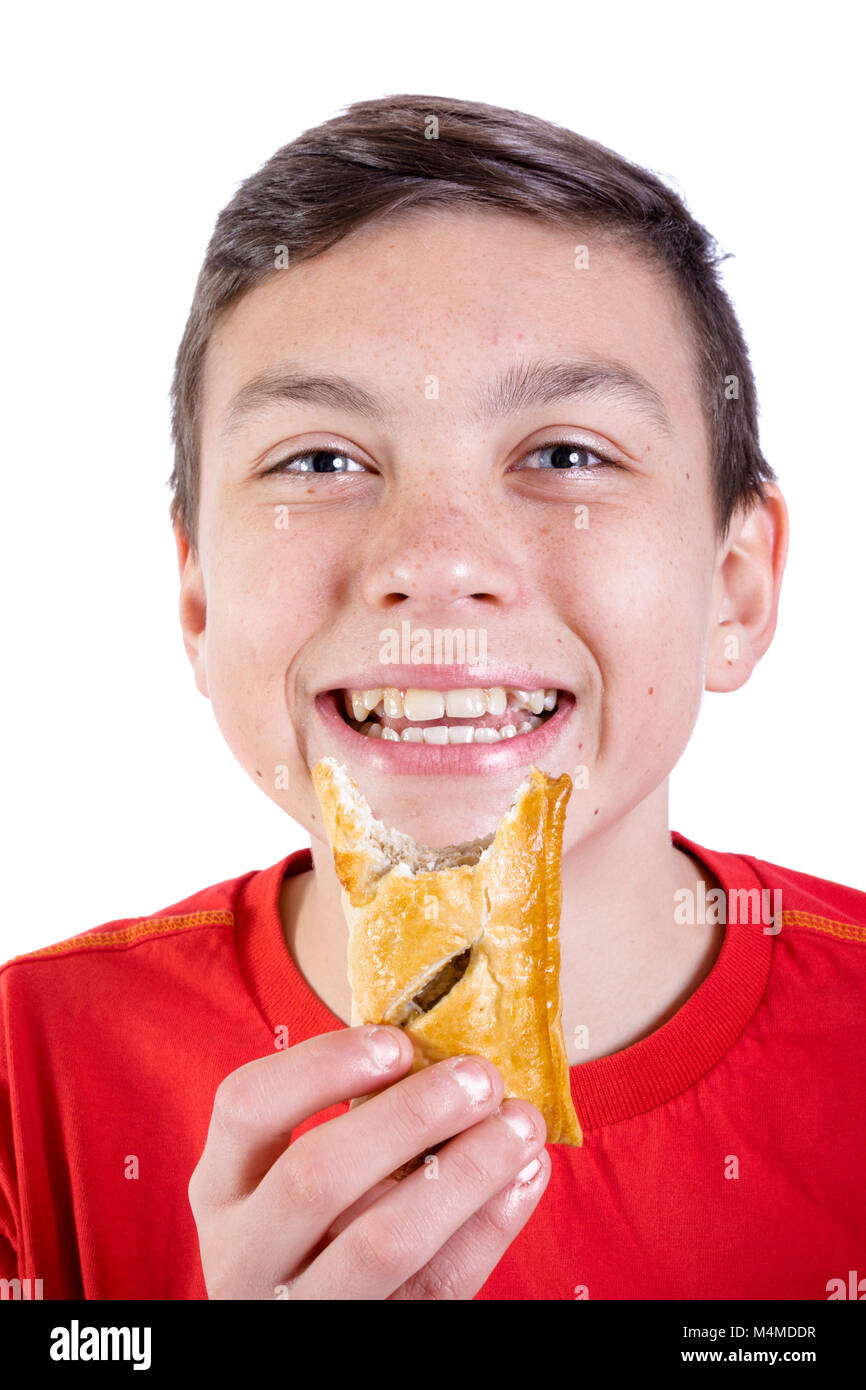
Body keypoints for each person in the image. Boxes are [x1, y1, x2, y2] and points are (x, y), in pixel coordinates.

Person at [1, 95, 863, 1302]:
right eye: (319, 460)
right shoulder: (25, 1073)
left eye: (565, 454)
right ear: (196, 596)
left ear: (734, 588)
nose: (435, 558)